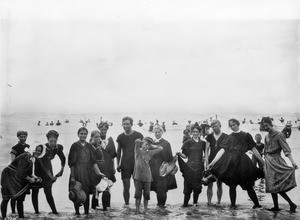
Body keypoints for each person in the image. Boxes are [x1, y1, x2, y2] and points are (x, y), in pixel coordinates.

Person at [207, 119, 264, 209]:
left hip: (243, 162)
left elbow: (254, 149)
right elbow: (222, 150)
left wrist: (262, 161)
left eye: (234, 124)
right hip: (231, 163)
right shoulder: (229, 137)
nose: (233, 126)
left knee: (248, 185)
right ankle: (233, 205)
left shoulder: (246, 135)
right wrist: (213, 162)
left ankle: (256, 204)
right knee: (232, 185)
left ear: (238, 124)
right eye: (231, 125)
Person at [260, 117, 298, 213]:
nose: (265, 128)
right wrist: (264, 164)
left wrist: (293, 162)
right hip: (268, 162)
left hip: (277, 162)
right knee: (271, 185)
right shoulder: (266, 136)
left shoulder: (279, 135)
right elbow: (265, 151)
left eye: (267, 125)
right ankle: (276, 206)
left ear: (271, 124)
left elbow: (286, 149)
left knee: (277, 186)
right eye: (264, 126)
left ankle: (291, 203)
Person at [68, 127, 104, 215]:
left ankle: (86, 213)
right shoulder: (74, 146)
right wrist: (73, 177)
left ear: (87, 135)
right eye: (81, 133)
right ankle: (77, 213)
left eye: (85, 134)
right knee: (76, 191)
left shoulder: (89, 146)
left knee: (86, 192)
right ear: (78, 134)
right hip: (77, 171)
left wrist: (99, 172)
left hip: (87, 172)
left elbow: (93, 161)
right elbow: (71, 163)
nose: (83, 135)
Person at [1, 145, 43, 219]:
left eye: (40, 151)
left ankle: (21, 217)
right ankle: (3, 217)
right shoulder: (26, 156)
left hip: (16, 176)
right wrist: (30, 179)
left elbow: (29, 173)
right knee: (6, 198)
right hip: (8, 175)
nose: (38, 152)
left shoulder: (32, 159)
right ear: (33, 149)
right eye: (37, 150)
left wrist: (37, 178)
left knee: (20, 198)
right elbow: (21, 172)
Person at [31, 130, 65, 215]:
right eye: (51, 141)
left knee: (48, 192)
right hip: (38, 168)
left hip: (48, 167)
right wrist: (51, 176)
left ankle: (54, 211)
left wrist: (61, 170)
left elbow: (63, 158)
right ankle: (36, 212)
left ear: (57, 140)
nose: (53, 143)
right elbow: (43, 165)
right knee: (35, 191)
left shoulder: (58, 148)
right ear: (47, 139)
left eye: (55, 141)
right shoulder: (43, 148)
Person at [116, 117, 143, 206]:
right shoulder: (120, 137)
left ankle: (137, 205)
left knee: (138, 187)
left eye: (127, 124)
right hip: (125, 164)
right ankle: (127, 205)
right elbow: (118, 151)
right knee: (126, 187)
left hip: (136, 164)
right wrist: (118, 164)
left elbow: (143, 149)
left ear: (132, 124)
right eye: (124, 124)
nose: (125, 125)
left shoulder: (138, 135)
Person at [177, 123, 206, 207]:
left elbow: (206, 154)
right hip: (189, 167)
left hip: (199, 168)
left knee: (197, 188)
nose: (195, 133)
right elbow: (185, 156)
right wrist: (179, 154)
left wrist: (204, 158)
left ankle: (195, 204)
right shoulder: (188, 142)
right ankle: (185, 204)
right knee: (187, 188)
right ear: (191, 133)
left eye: (197, 132)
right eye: (193, 132)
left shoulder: (203, 143)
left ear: (200, 133)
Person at [92, 121, 117, 211]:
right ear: (99, 129)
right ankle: (94, 208)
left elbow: (113, 155)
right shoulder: (94, 140)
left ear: (107, 129)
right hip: (98, 167)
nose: (103, 131)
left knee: (108, 187)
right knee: (97, 188)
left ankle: (106, 208)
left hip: (108, 166)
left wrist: (113, 167)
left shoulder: (110, 140)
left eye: (105, 129)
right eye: (101, 129)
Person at [150, 125, 177, 208]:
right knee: (157, 188)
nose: (157, 133)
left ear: (162, 132)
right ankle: (159, 204)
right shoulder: (151, 143)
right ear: (153, 132)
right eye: (156, 132)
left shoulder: (166, 143)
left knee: (163, 188)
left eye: (159, 132)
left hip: (163, 168)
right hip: (154, 168)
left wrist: (172, 167)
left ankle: (162, 205)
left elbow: (169, 157)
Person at [133, 137, 163, 214]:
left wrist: (152, 145)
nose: (147, 146)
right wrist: (141, 141)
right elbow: (136, 141)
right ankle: (137, 209)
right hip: (138, 176)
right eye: (146, 144)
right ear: (142, 144)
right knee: (137, 195)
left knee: (146, 195)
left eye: (148, 145)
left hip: (147, 177)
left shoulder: (150, 152)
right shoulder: (138, 151)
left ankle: (145, 210)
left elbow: (161, 148)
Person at [205, 120, 228, 206]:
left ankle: (218, 202)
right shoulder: (209, 136)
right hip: (211, 161)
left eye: (216, 126)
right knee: (209, 183)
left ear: (220, 126)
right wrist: (206, 161)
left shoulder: (226, 136)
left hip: (221, 162)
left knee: (219, 183)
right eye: (213, 127)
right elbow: (206, 150)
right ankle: (209, 202)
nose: (214, 128)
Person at [9, 131, 30, 214]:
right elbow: (12, 162)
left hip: (25, 173)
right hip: (15, 173)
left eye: (24, 137)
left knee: (22, 195)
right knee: (14, 195)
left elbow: (30, 159)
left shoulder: (28, 147)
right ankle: (13, 212)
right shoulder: (14, 148)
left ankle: (19, 213)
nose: (23, 138)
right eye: (21, 137)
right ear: (18, 137)